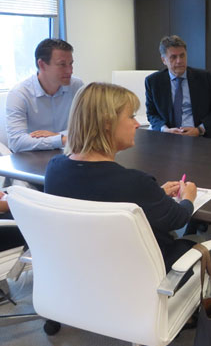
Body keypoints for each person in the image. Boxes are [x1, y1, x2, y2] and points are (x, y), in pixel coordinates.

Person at [44, 83, 199, 272]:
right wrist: (188, 197)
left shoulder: (54, 169)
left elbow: (99, 196)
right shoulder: (135, 183)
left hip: (79, 271)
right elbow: (178, 218)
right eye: (131, 116)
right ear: (107, 122)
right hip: (137, 274)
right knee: (203, 250)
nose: (137, 124)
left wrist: (156, 194)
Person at [6, 38, 84, 153]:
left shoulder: (77, 86)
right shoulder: (19, 94)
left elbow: (88, 128)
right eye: (62, 64)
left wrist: (56, 136)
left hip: (69, 154)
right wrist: (62, 139)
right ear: (42, 65)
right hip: (33, 157)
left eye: (71, 64)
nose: (70, 71)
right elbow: (16, 142)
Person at [145, 35, 211, 139]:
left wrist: (199, 129)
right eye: (173, 57)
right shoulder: (153, 82)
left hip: (201, 137)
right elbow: (152, 114)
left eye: (182, 56)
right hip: (169, 137)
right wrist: (165, 130)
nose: (179, 61)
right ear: (164, 60)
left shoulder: (204, 78)